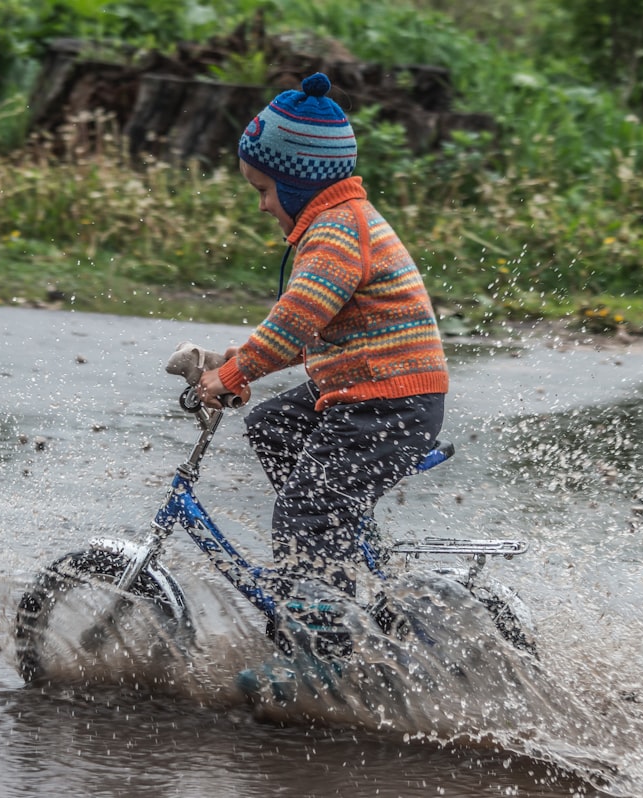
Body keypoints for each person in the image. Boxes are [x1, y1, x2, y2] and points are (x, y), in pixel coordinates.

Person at [198, 72, 448, 611]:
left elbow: (297, 321)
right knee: (272, 426)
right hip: (369, 394)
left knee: (305, 513)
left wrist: (235, 374)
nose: (262, 206)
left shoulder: (336, 229)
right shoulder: (336, 222)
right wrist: (238, 361)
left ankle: (320, 646)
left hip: (388, 404)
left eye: (264, 191)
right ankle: (340, 545)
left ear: (296, 183)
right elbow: (293, 324)